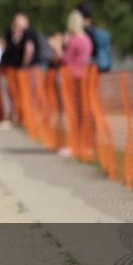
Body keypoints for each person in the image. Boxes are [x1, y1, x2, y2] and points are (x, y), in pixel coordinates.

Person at [59, 9, 93, 158]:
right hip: (85, 77)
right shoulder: (87, 39)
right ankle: (85, 145)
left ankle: (73, 145)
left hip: (72, 78)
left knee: (71, 112)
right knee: (82, 111)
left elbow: (65, 59)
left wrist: (60, 46)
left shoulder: (74, 40)